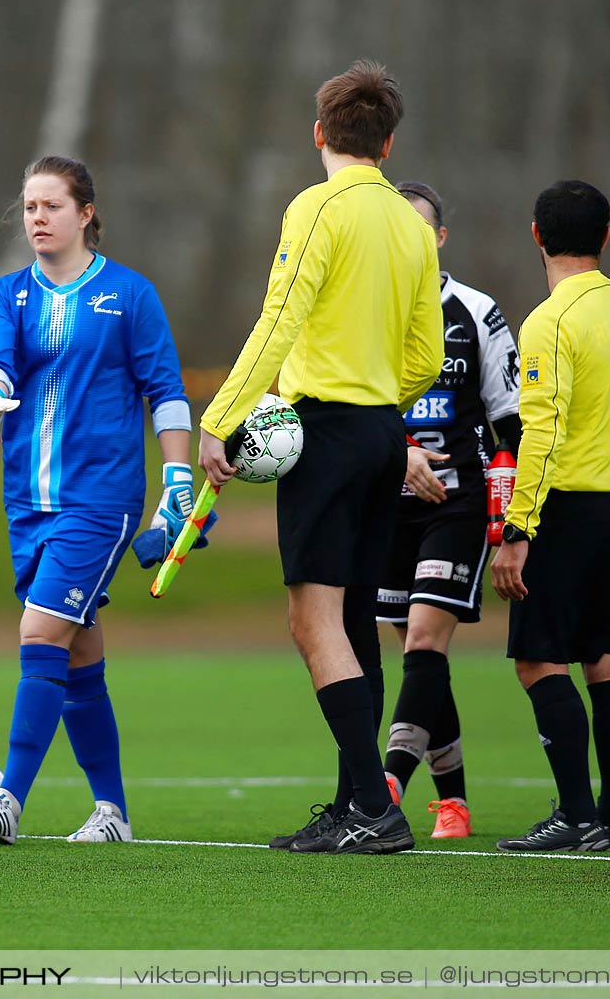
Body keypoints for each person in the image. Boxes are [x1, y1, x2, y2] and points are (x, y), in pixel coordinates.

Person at [196, 61, 442, 856]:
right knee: (354, 619)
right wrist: (377, 401)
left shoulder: (316, 207)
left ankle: (374, 806)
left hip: (328, 436)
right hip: (380, 433)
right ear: (389, 141)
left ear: (319, 134)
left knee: (312, 620)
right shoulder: (411, 222)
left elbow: (278, 319)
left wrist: (222, 418)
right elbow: (425, 358)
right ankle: (350, 805)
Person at [0, 155, 197, 848]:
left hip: (102, 497)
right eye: (29, 207)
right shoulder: (6, 293)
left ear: (85, 213)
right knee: (78, 653)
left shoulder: (129, 294)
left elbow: (167, 392)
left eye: (52, 206)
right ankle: (111, 811)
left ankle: (8, 799)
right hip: (28, 499)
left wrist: (177, 478)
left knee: (39, 633)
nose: (38, 218)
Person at [490, 181, 610, 853]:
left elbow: (542, 431)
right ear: (607, 236)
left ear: (536, 234)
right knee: (608, 659)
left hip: (568, 513)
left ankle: (577, 815)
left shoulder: (549, 322)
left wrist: (516, 530)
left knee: (538, 661)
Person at [372, 182, 520, 840]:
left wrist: (507, 522)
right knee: (416, 656)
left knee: (427, 640)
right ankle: (454, 802)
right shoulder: (364, 314)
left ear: (438, 238)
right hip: (385, 510)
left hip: (454, 507)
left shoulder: (476, 312)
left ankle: (387, 786)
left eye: (417, 229)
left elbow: (511, 423)